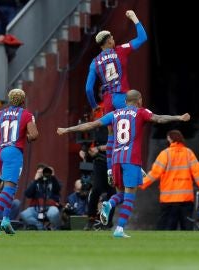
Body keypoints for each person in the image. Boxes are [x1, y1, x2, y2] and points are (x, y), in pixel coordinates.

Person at [57, 90, 191, 237]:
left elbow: (91, 125)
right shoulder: (141, 112)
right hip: (131, 159)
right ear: (139, 100)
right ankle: (119, 229)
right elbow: (158, 119)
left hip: (115, 160)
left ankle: (109, 204)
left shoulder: (114, 114)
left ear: (126, 102)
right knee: (130, 196)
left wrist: (67, 129)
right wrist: (178, 117)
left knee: (120, 194)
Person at [85, 10, 147, 184]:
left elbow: (89, 89)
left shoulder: (94, 62)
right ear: (109, 41)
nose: (114, 40)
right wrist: (134, 18)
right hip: (122, 98)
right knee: (131, 131)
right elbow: (142, 38)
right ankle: (135, 166)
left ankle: (111, 170)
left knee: (112, 136)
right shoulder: (120, 50)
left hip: (107, 101)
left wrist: (94, 106)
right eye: (112, 38)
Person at [0, 88, 39, 234]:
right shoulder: (26, 114)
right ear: (22, 100)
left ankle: (6, 220)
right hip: (13, 152)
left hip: (0, 152)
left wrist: (0, 141)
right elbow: (34, 135)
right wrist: (26, 137)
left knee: (9, 187)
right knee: (9, 187)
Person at [140, 129, 199, 230]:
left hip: (168, 200)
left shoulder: (165, 154)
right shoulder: (188, 153)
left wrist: (141, 184)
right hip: (185, 200)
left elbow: (155, 173)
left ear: (169, 139)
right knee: (187, 229)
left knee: (167, 229)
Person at [20, 164, 62, 230]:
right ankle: (41, 228)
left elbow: (58, 189)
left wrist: (53, 177)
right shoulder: (35, 183)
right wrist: (35, 180)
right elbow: (27, 194)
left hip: (50, 207)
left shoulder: (53, 181)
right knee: (24, 214)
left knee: (53, 213)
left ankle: (57, 229)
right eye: (40, 172)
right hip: (37, 208)